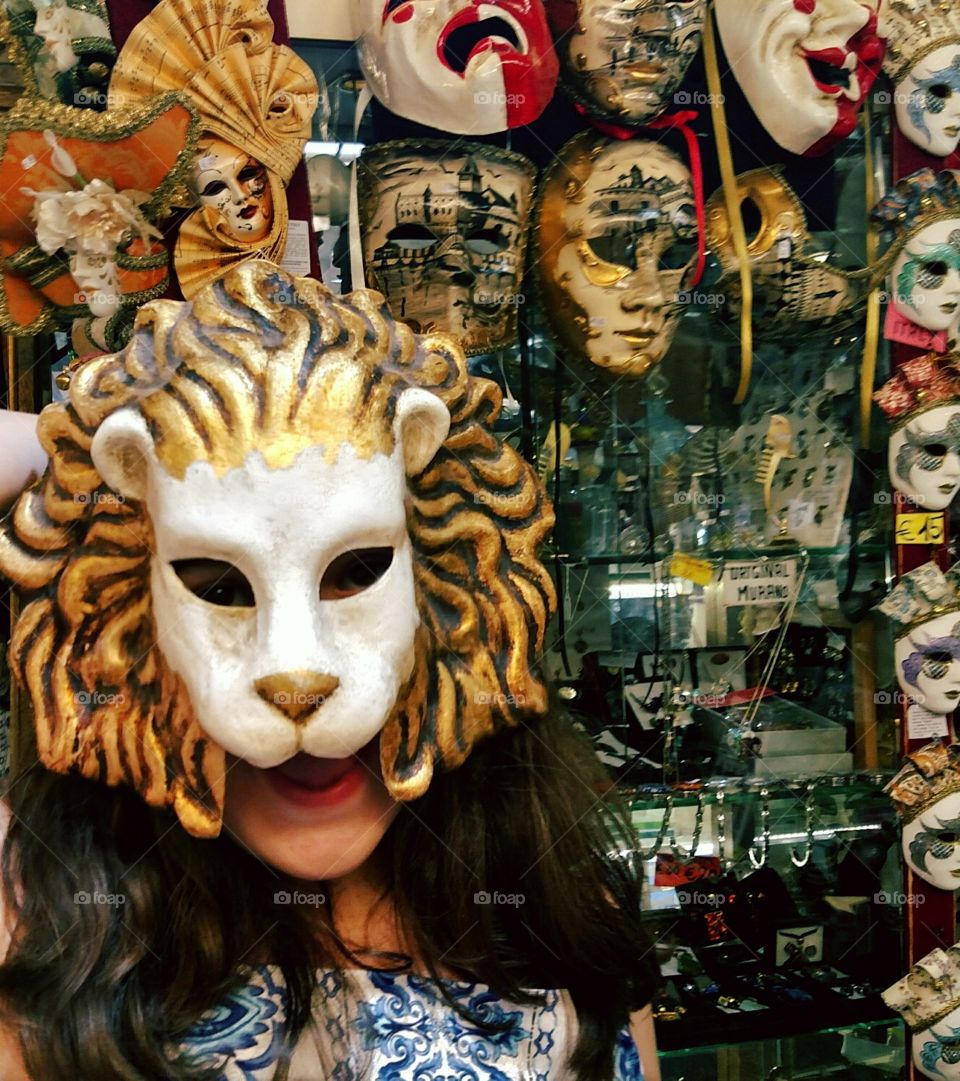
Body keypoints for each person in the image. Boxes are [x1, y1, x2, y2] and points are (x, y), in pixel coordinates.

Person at [0, 262, 660, 1080]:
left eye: (357, 570)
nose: (297, 673)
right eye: (218, 586)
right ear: (132, 598)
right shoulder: (40, 915)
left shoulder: (565, 903)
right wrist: (68, 450)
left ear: (439, 573)